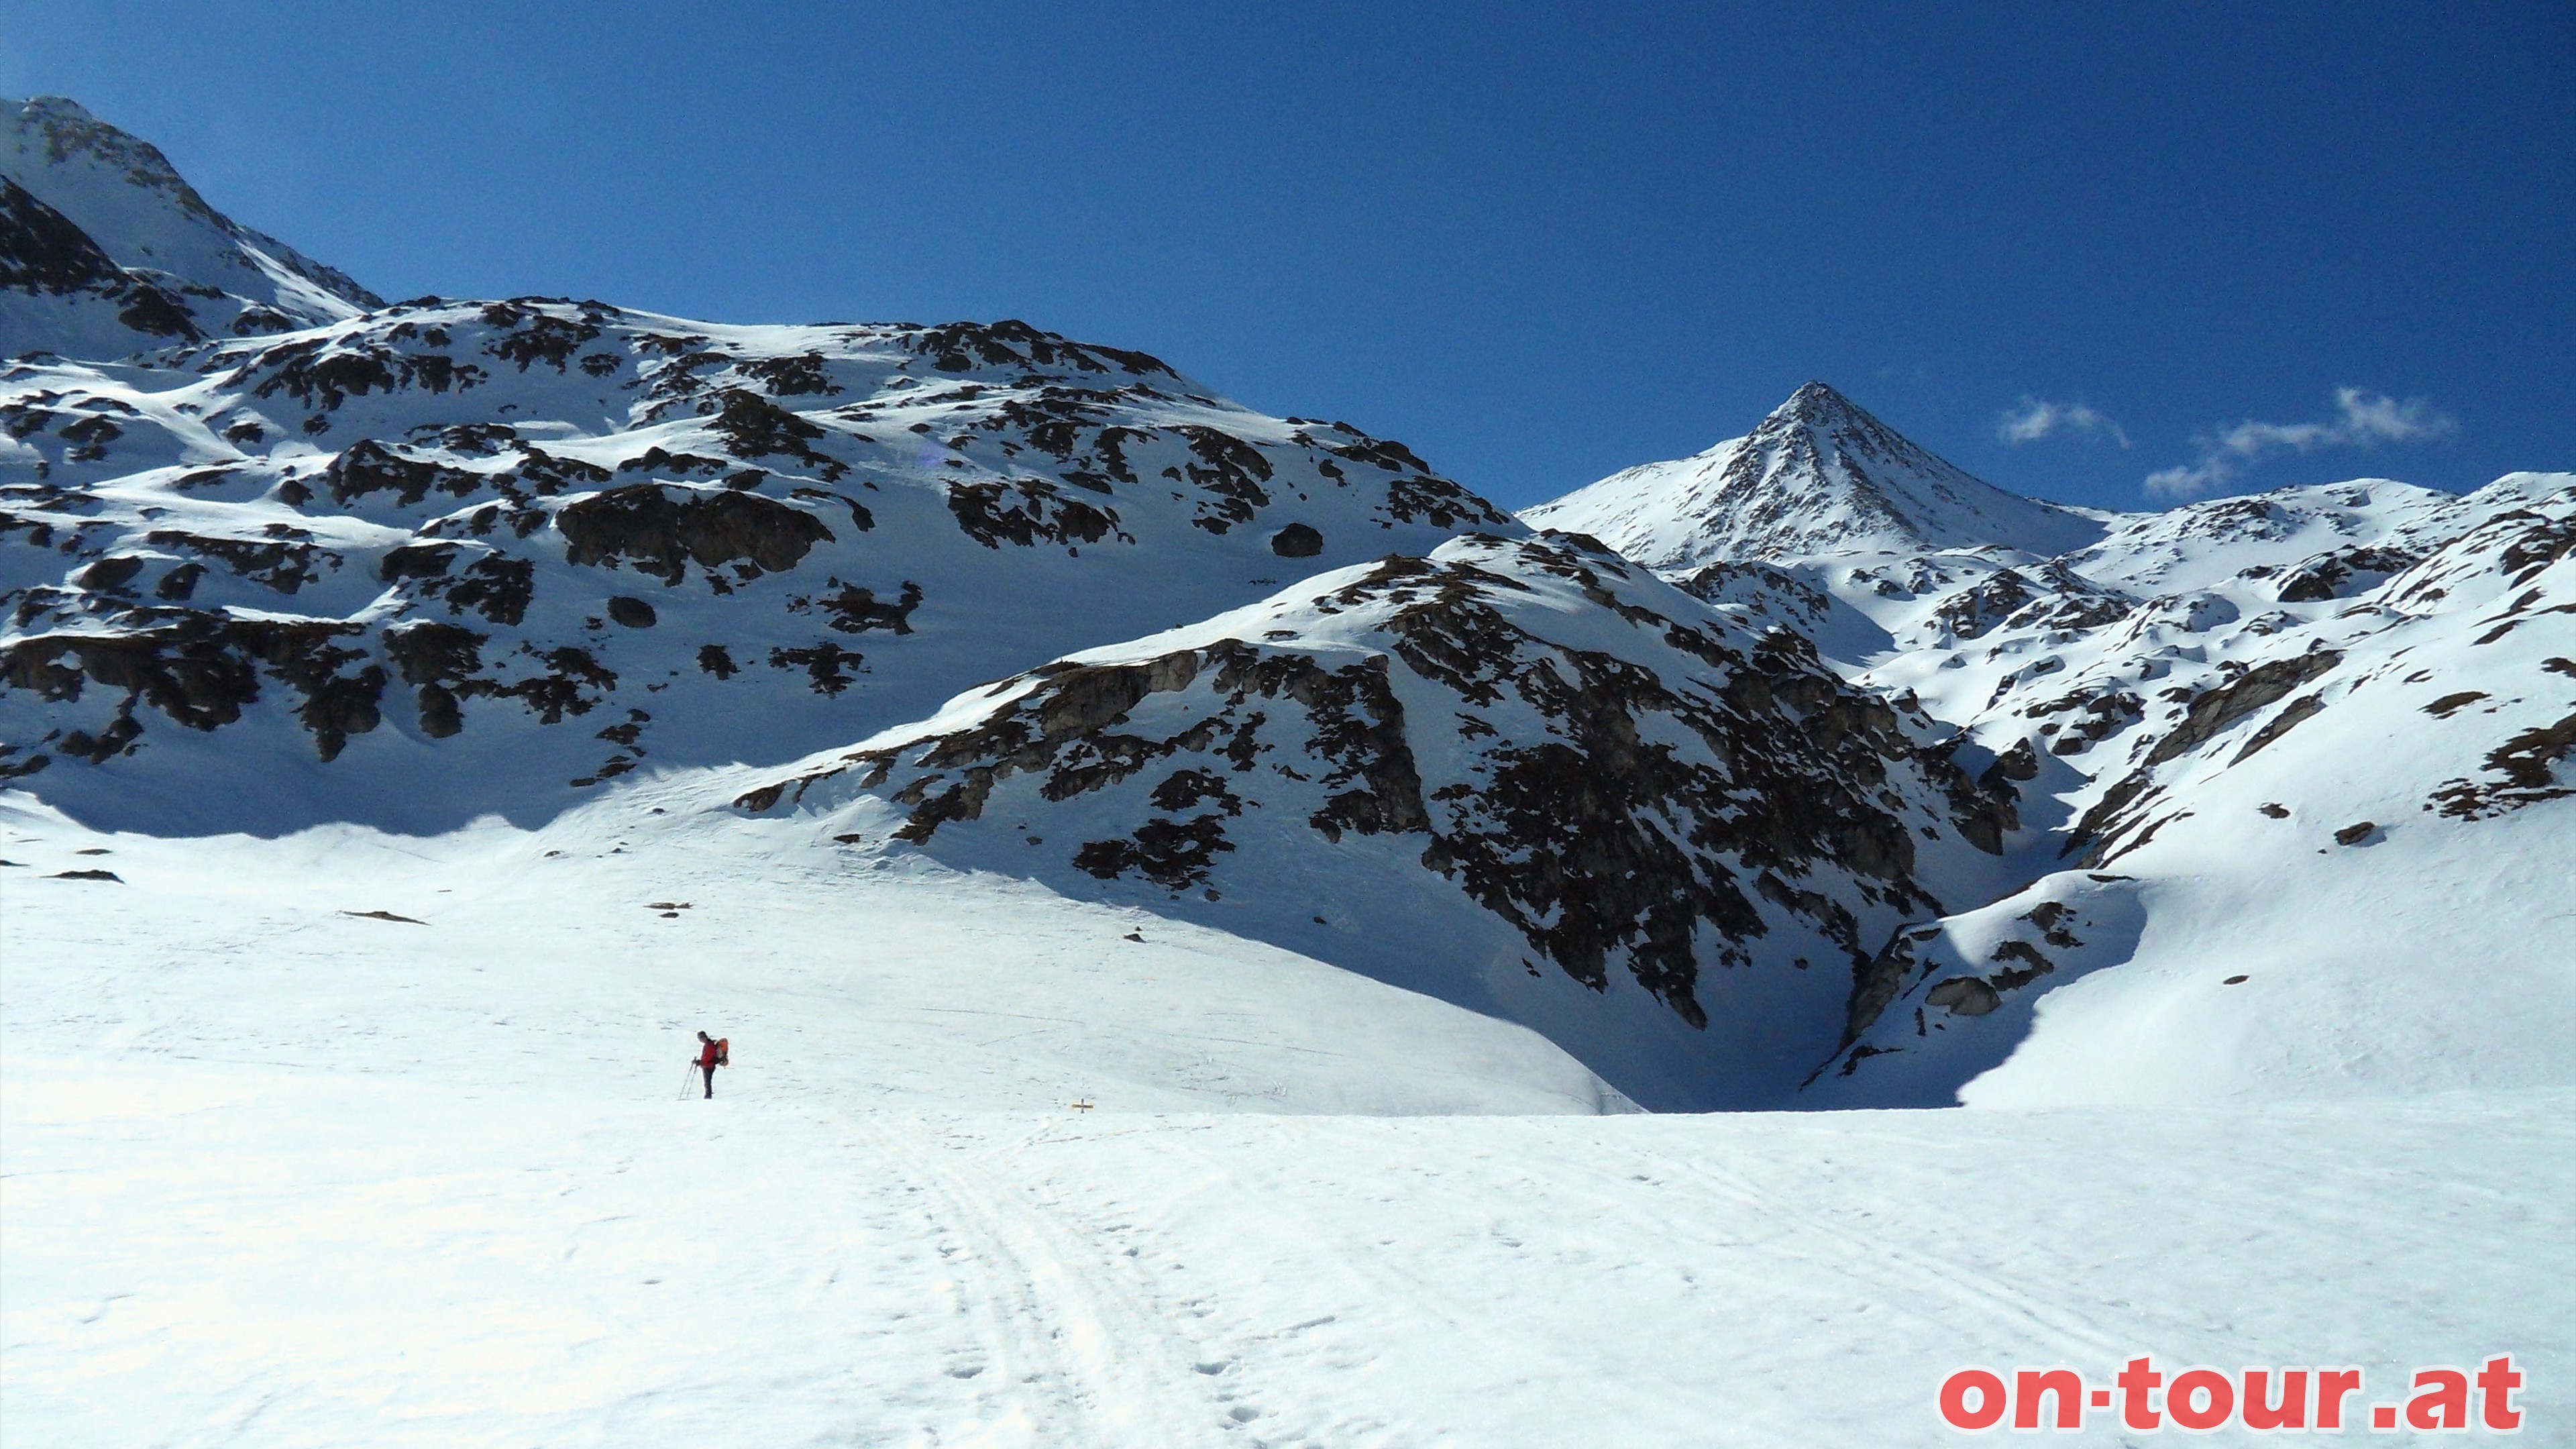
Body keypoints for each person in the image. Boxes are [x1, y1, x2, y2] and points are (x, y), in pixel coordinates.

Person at [695, 1030, 725, 1099]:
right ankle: (708, 1095)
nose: (700, 1040)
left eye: (700, 1038)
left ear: (704, 1037)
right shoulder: (709, 1044)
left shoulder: (709, 1045)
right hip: (708, 1065)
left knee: (707, 1082)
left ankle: (708, 1096)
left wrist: (700, 1062)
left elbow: (708, 1057)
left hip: (708, 1066)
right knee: (707, 1082)